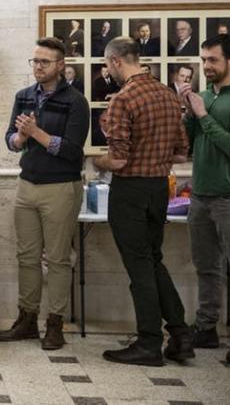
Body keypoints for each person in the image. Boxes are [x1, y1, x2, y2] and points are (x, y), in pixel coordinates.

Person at [94, 36, 192, 366]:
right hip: (158, 188)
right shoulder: (167, 94)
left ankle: (149, 343)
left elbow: (118, 160)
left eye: (108, 64)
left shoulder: (124, 98)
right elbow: (181, 151)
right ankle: (180, 335)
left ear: (117, 61)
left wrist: (98, 161)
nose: (109, 69)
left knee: (139, 266)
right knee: (152, 259)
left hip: (130, 191)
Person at [0, 38, 89, 350]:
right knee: (26, 257)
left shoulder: (76, 101)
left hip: (60, 187)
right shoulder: (23, 97)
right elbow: (10, 140)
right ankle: (26, 319)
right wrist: (21, 137)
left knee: (59, 259)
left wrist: (36, 133)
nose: (38, 67)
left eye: (45, 62)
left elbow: (73, 151)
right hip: (27, 184)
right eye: (35, 61)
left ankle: (55, 324)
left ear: (61, 66)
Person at [178, 34, 230, 364]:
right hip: (201, 195)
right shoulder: (203, 95)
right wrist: (188, 113)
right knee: (207, 267)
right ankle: (206, 327)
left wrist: (203, 114)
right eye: (204, 60)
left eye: (213, 60)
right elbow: (189, 143)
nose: (206, 66)